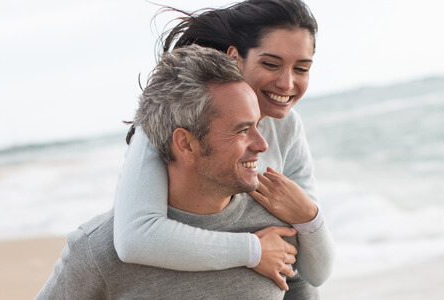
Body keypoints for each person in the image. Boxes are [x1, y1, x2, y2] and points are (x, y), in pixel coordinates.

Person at [37, 45, 314, 299]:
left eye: (257, 126)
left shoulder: (274, 229)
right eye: (242, 131)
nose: (262, 144)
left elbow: (303, 286)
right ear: (186, 143)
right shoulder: (98, 251)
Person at [113, 0, 334, 294]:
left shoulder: (287, 127)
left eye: (302, 68)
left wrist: (309, 215)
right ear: (234, 58)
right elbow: (135, 238)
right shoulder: (175, 123)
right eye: (270, 64)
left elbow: (315, 272)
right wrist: (253, 250)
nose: (287, 82)